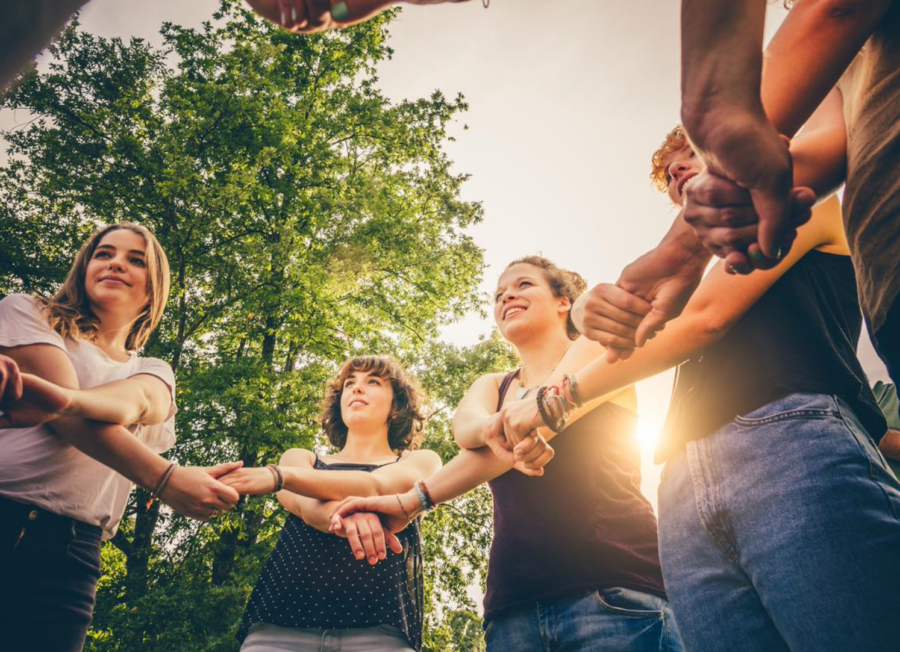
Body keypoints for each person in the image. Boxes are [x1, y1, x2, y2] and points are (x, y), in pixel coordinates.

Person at [474, 125, 900, 651]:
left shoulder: (803, 204)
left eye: (691, 155)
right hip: (680, 479)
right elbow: (629, 337)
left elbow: (703, 319)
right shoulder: (686, 274)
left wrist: (546, 405)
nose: (677, 171)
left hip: (793, 439)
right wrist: (588, 311)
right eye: (671, 172)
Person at [330, 257, 682, 652]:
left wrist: (412, 499)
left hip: (614, 593)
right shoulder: (493, 384)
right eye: (498, 295)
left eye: (524, 285)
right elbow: (464, 429)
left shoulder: (597, 348)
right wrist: (495, 428)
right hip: (512, 612)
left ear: (563, 300)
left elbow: (518, 433)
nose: (507, 296)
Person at [0, 223, 241, 652]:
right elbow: (67, 416)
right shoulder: (27, 312)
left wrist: (65, 400)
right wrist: (166, 479)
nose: (116, 262)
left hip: (72, 553)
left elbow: (129, 401)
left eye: (135, 259)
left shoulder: (153, 369)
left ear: (154, 290)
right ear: (83, 268)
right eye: (104, 253)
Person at [219, 355, 441, 651]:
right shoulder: (300, 459)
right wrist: (353, 516)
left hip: (381, 632)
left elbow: (381, 487)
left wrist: (279, 477)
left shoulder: (421, 460)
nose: (356, 389)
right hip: (279, 627)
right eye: (350, 384)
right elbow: (307, 509)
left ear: (396, 408)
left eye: (372, 382)